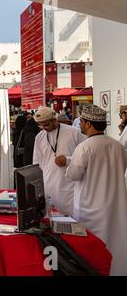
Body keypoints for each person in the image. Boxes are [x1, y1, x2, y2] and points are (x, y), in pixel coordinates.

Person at [65, 105, 127, 275]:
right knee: (115, 247)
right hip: (115, 208)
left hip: (91, 210)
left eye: (82, 122)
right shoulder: (118, 146)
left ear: (88, 124)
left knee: (94, 253)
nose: (80, 125)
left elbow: (73, 175)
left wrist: (67, 164)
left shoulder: (85, 147)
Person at [33, 106, 85, 216]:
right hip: (48, 186)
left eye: (46, 124)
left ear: (54, 120)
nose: (44, 127)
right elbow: (37, 163)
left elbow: (85, 158)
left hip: (69, 186)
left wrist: (67, 160)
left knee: (71, 219)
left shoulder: (74, 133)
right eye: (41, 125)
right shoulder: (39, 137)